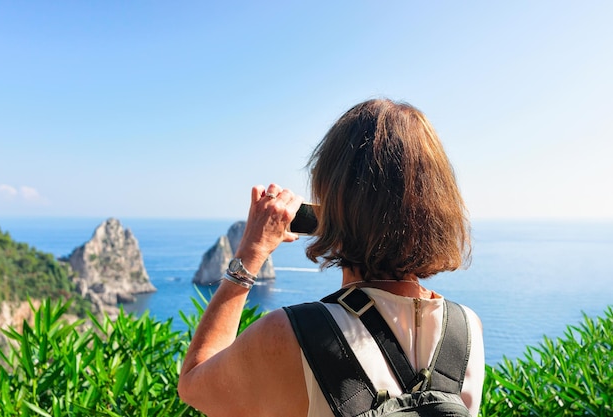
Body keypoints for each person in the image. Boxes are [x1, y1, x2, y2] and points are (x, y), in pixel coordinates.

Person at [178, 99, 485, 417]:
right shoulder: (466, 330)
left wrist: (249, 255)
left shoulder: (290, 333)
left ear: (333, 201)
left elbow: (193, 384)